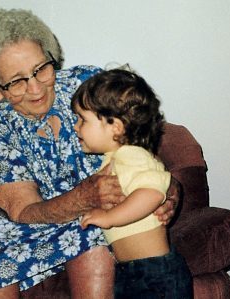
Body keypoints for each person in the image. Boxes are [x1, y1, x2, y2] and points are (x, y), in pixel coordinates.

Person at [0, 8, 179, 299]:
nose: (35, 88)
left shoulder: (88, 86)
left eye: (41, 69)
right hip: (37, 230)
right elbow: (21, 213)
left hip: (104, 220)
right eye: (17, 81)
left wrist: (168, 191)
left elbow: (141, 147)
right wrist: (79, 199)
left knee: (95, 223)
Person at [72, 67, 193, 298]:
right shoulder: (116, 159)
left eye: (82, 120)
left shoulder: (133, 156)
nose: (76, 126)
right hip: (134, 270)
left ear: (115, 127)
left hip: (153, 272)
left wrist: (108, 217)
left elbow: (152, 194)